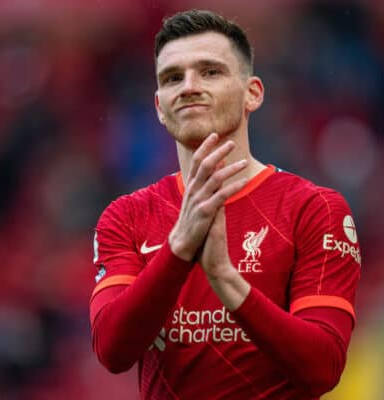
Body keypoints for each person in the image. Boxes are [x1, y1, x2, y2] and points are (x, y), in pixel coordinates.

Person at [89, 9, 361, 399]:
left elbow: (322, 368)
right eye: (172, 78)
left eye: (210, 72)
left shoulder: (314, 209)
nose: (188, 87)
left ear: (253, 93)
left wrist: (225, 279)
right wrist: (178, 249)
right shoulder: (126, 217)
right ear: (159, 107)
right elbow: (112, 350)